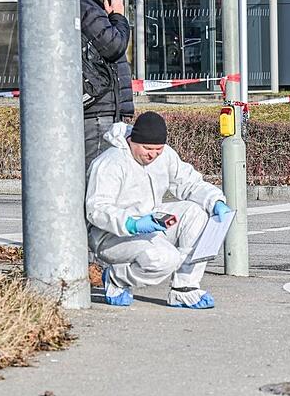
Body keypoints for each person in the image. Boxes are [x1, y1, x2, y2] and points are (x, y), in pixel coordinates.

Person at [85, 112, 232, 309]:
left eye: (158, 149)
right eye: (147, 148)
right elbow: (96, 208)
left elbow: (190, 183)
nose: (152, 154)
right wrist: (132, 223)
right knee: (165, 259)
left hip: (151, 223)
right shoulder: (110, 162)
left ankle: (184, 287)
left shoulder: (166, 156)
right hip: (111, 235)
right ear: (132, 141)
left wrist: (215, 201)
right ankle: (116, 278)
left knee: (197, 213)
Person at [80, 0, 135, 174]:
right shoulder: (89, 10)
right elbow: (114, 46)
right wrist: (118, 16)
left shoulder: (93, 10)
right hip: (98, 112)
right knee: (98, 177)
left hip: (104, 110)